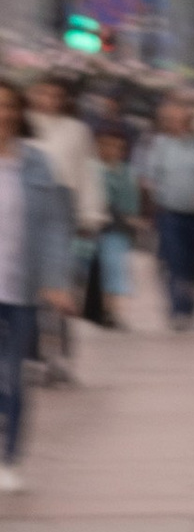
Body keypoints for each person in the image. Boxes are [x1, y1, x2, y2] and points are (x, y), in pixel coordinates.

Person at [0, 77, 76, 495]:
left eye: (10, 106)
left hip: (22, 288)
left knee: (12, 374)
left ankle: (9, 457)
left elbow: (54, 226)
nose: (4, 115)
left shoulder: (37, 164)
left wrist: (57, 281)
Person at [28, 75, 102, 382]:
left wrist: (91, 213)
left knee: (60, 286)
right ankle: (32, 354)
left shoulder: (77, 131)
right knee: (28, 289)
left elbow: (89, 172)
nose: (50, 101)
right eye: (43, 93)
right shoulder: (23, 126)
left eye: (56, 95)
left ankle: (59, 354)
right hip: (27, 209)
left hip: (64, 211)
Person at [140, 92, 194, 332]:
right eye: (168, 119)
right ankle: (178, 309)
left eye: (178, 118)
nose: (172, 123)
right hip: (171, 213)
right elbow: (150, 178)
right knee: (176, 261)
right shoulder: (159, 145)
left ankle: (193, 307)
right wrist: (150, 205)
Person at [92, 124, 141, 329]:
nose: (112, 150)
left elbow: (131, 203)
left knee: (114, 269)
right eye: (107, 145)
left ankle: (111, 311)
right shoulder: (89, 168)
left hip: (116, 228)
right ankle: (100, 308)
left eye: (118, 147)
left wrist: (132, 221)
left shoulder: (126, 172)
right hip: (92, 227)